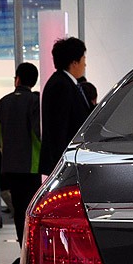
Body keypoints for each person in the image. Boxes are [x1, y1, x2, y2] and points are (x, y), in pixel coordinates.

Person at [0, 62, 42, 264]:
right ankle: (31, 256)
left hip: (10, 166)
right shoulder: (35, 101)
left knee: (18, 211)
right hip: (31, 165)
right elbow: (38, 133)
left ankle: (23, 252)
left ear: (17, 79)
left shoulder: (2, 103)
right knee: (31, 211)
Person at [38, 36, 90, 176]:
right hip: (65, 163)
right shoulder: (61, 86)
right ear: (74, 62)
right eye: (83, 59)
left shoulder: (64, 83)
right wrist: (63, 166)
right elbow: (59, 129)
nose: (85, 64)